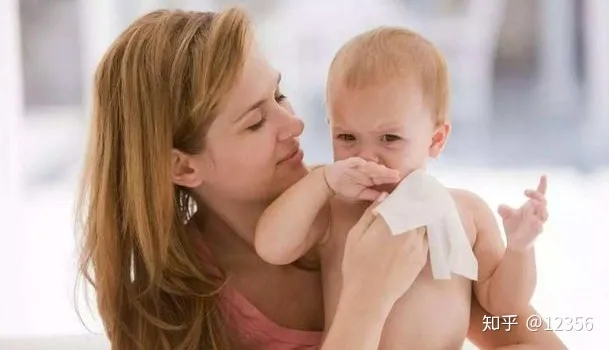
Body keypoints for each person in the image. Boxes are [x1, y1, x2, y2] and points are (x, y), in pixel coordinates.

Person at [76, 7, 566, 350]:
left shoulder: (398, 217)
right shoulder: (166, 314)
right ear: (184, 165)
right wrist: (365, 301)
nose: (295, 125)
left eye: (280, 94)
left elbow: (522, 333)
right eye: (254, 121)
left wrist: (519, 249)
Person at [254, 27, 551, 349]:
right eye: (347, 137)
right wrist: (322, 181)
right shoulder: (335, 209)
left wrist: (520, 249)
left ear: (436, 139)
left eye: (390, 139)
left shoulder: (467, 213)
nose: (366, 156)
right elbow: (272, 246)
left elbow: (503, 305)